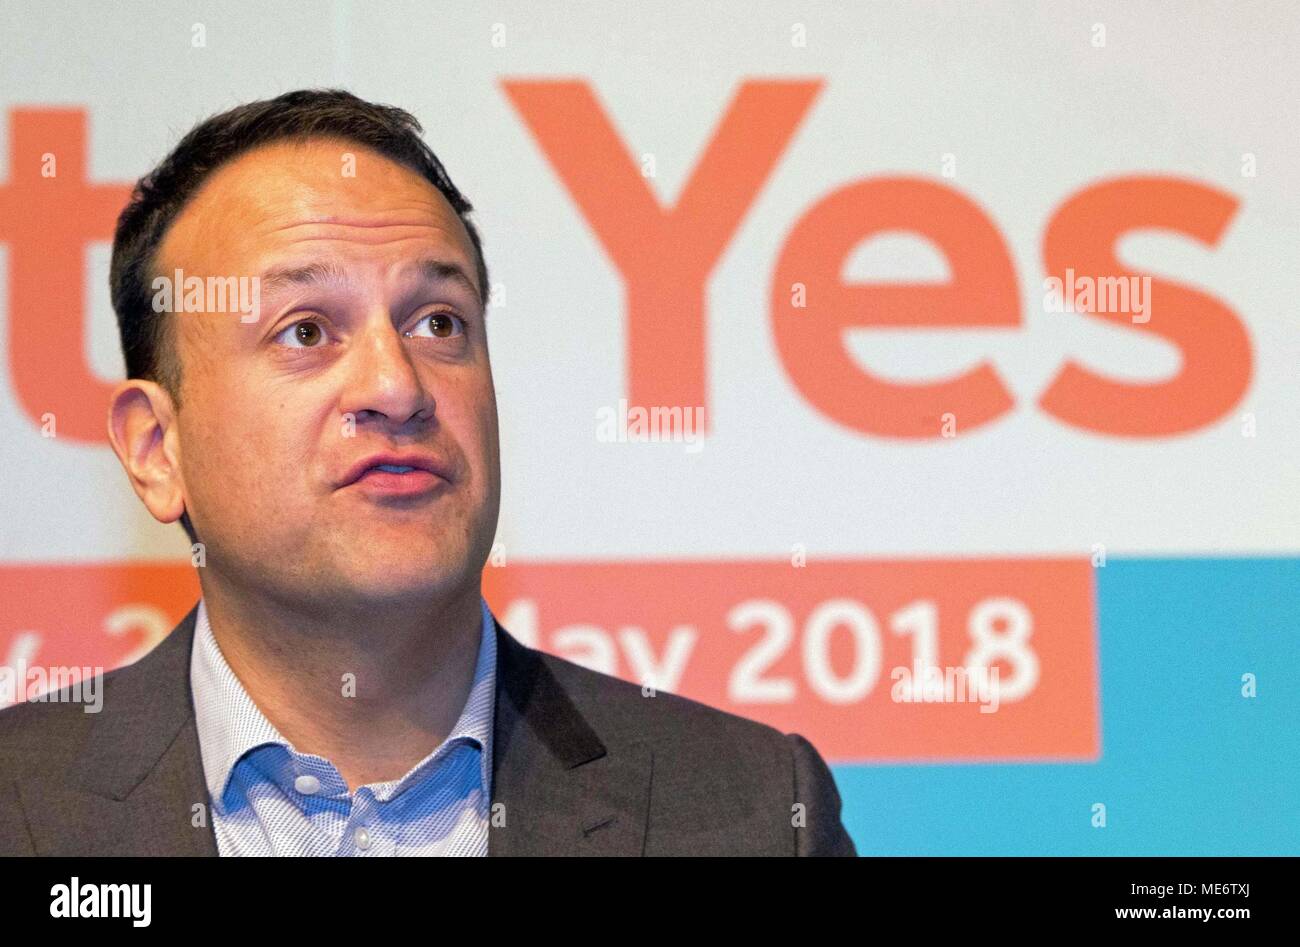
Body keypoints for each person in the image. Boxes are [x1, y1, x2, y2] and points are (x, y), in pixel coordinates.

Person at [0, 89, 855, 856]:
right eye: (306, 331)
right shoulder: (18, 805)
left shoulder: (751, 814)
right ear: (157, 449)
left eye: (438, 322)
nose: (396, 386)